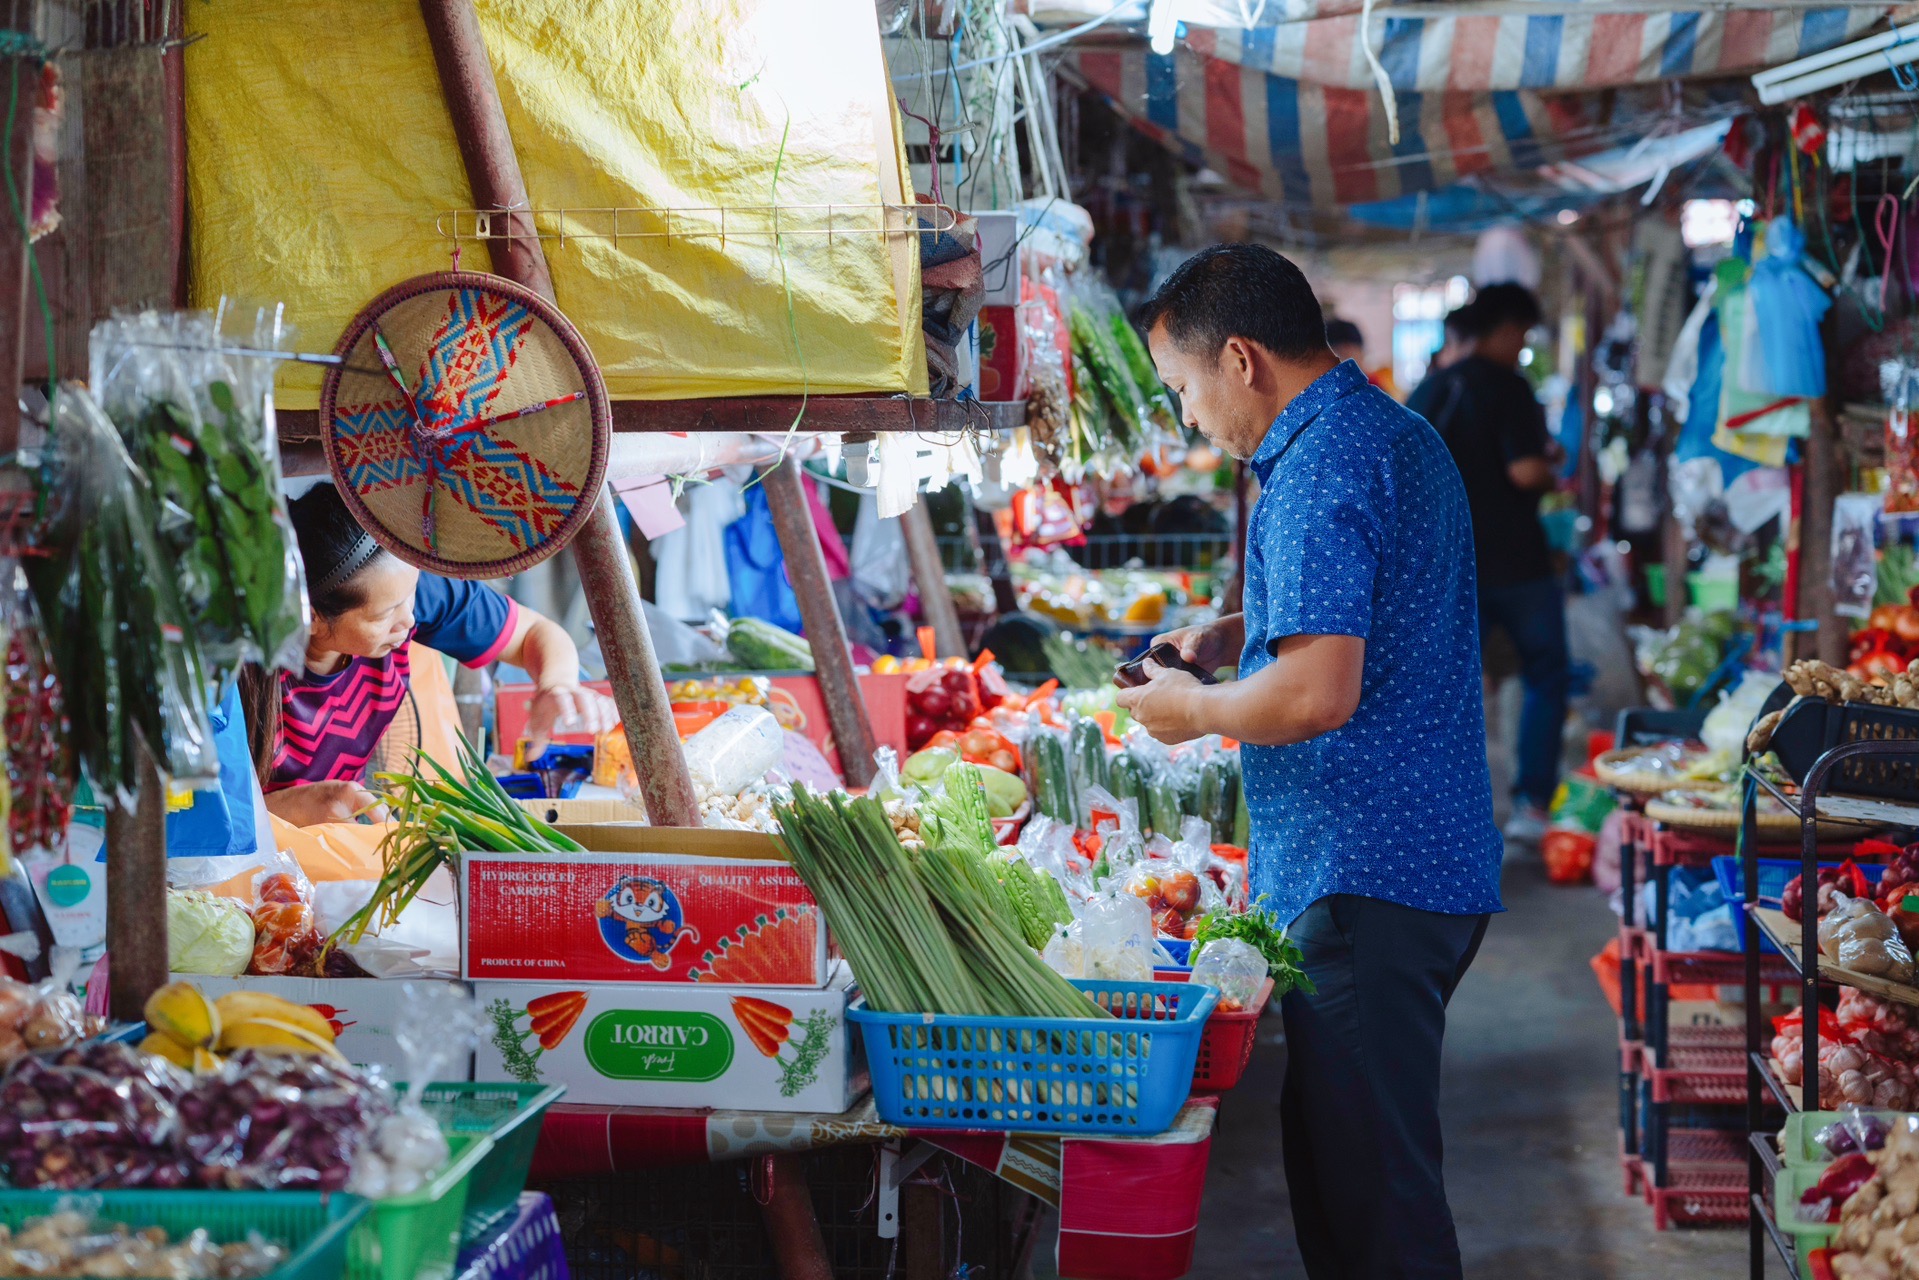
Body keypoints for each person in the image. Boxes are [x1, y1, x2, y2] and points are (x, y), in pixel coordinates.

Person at [1114, 243, 1500, 1280]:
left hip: (1364, 869)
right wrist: (1239, 631)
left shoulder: (1317, 461)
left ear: (1239, 359)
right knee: (1345, 1179)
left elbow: (1315, 692)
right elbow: (1368, 610)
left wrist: (1191, 706)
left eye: (1184, 388)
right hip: (1409, 860)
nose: (1190, 415)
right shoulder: (1384, 431)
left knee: (1376, 1213)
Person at [243, 484, 618, 827]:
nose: (408, 620)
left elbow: (536, 634)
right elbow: (193, 822)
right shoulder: (231, 667)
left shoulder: (405, 593)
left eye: (411, 595)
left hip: (340, 841)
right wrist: (285, 810)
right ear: (310, 618)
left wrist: (556, 683)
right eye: (383, 614)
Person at [1407, 283, 1569, 843]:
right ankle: (1531, 806)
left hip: (1446, 567)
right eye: (1521, 335)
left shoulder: (1428, 390)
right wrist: (1551, 471)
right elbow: (1525, 472)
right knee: (1546, 674)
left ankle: (1443, 813)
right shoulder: (1508, 387)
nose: (1521, 347)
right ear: (1503, 329)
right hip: (1515, 560)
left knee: (1449, 686)